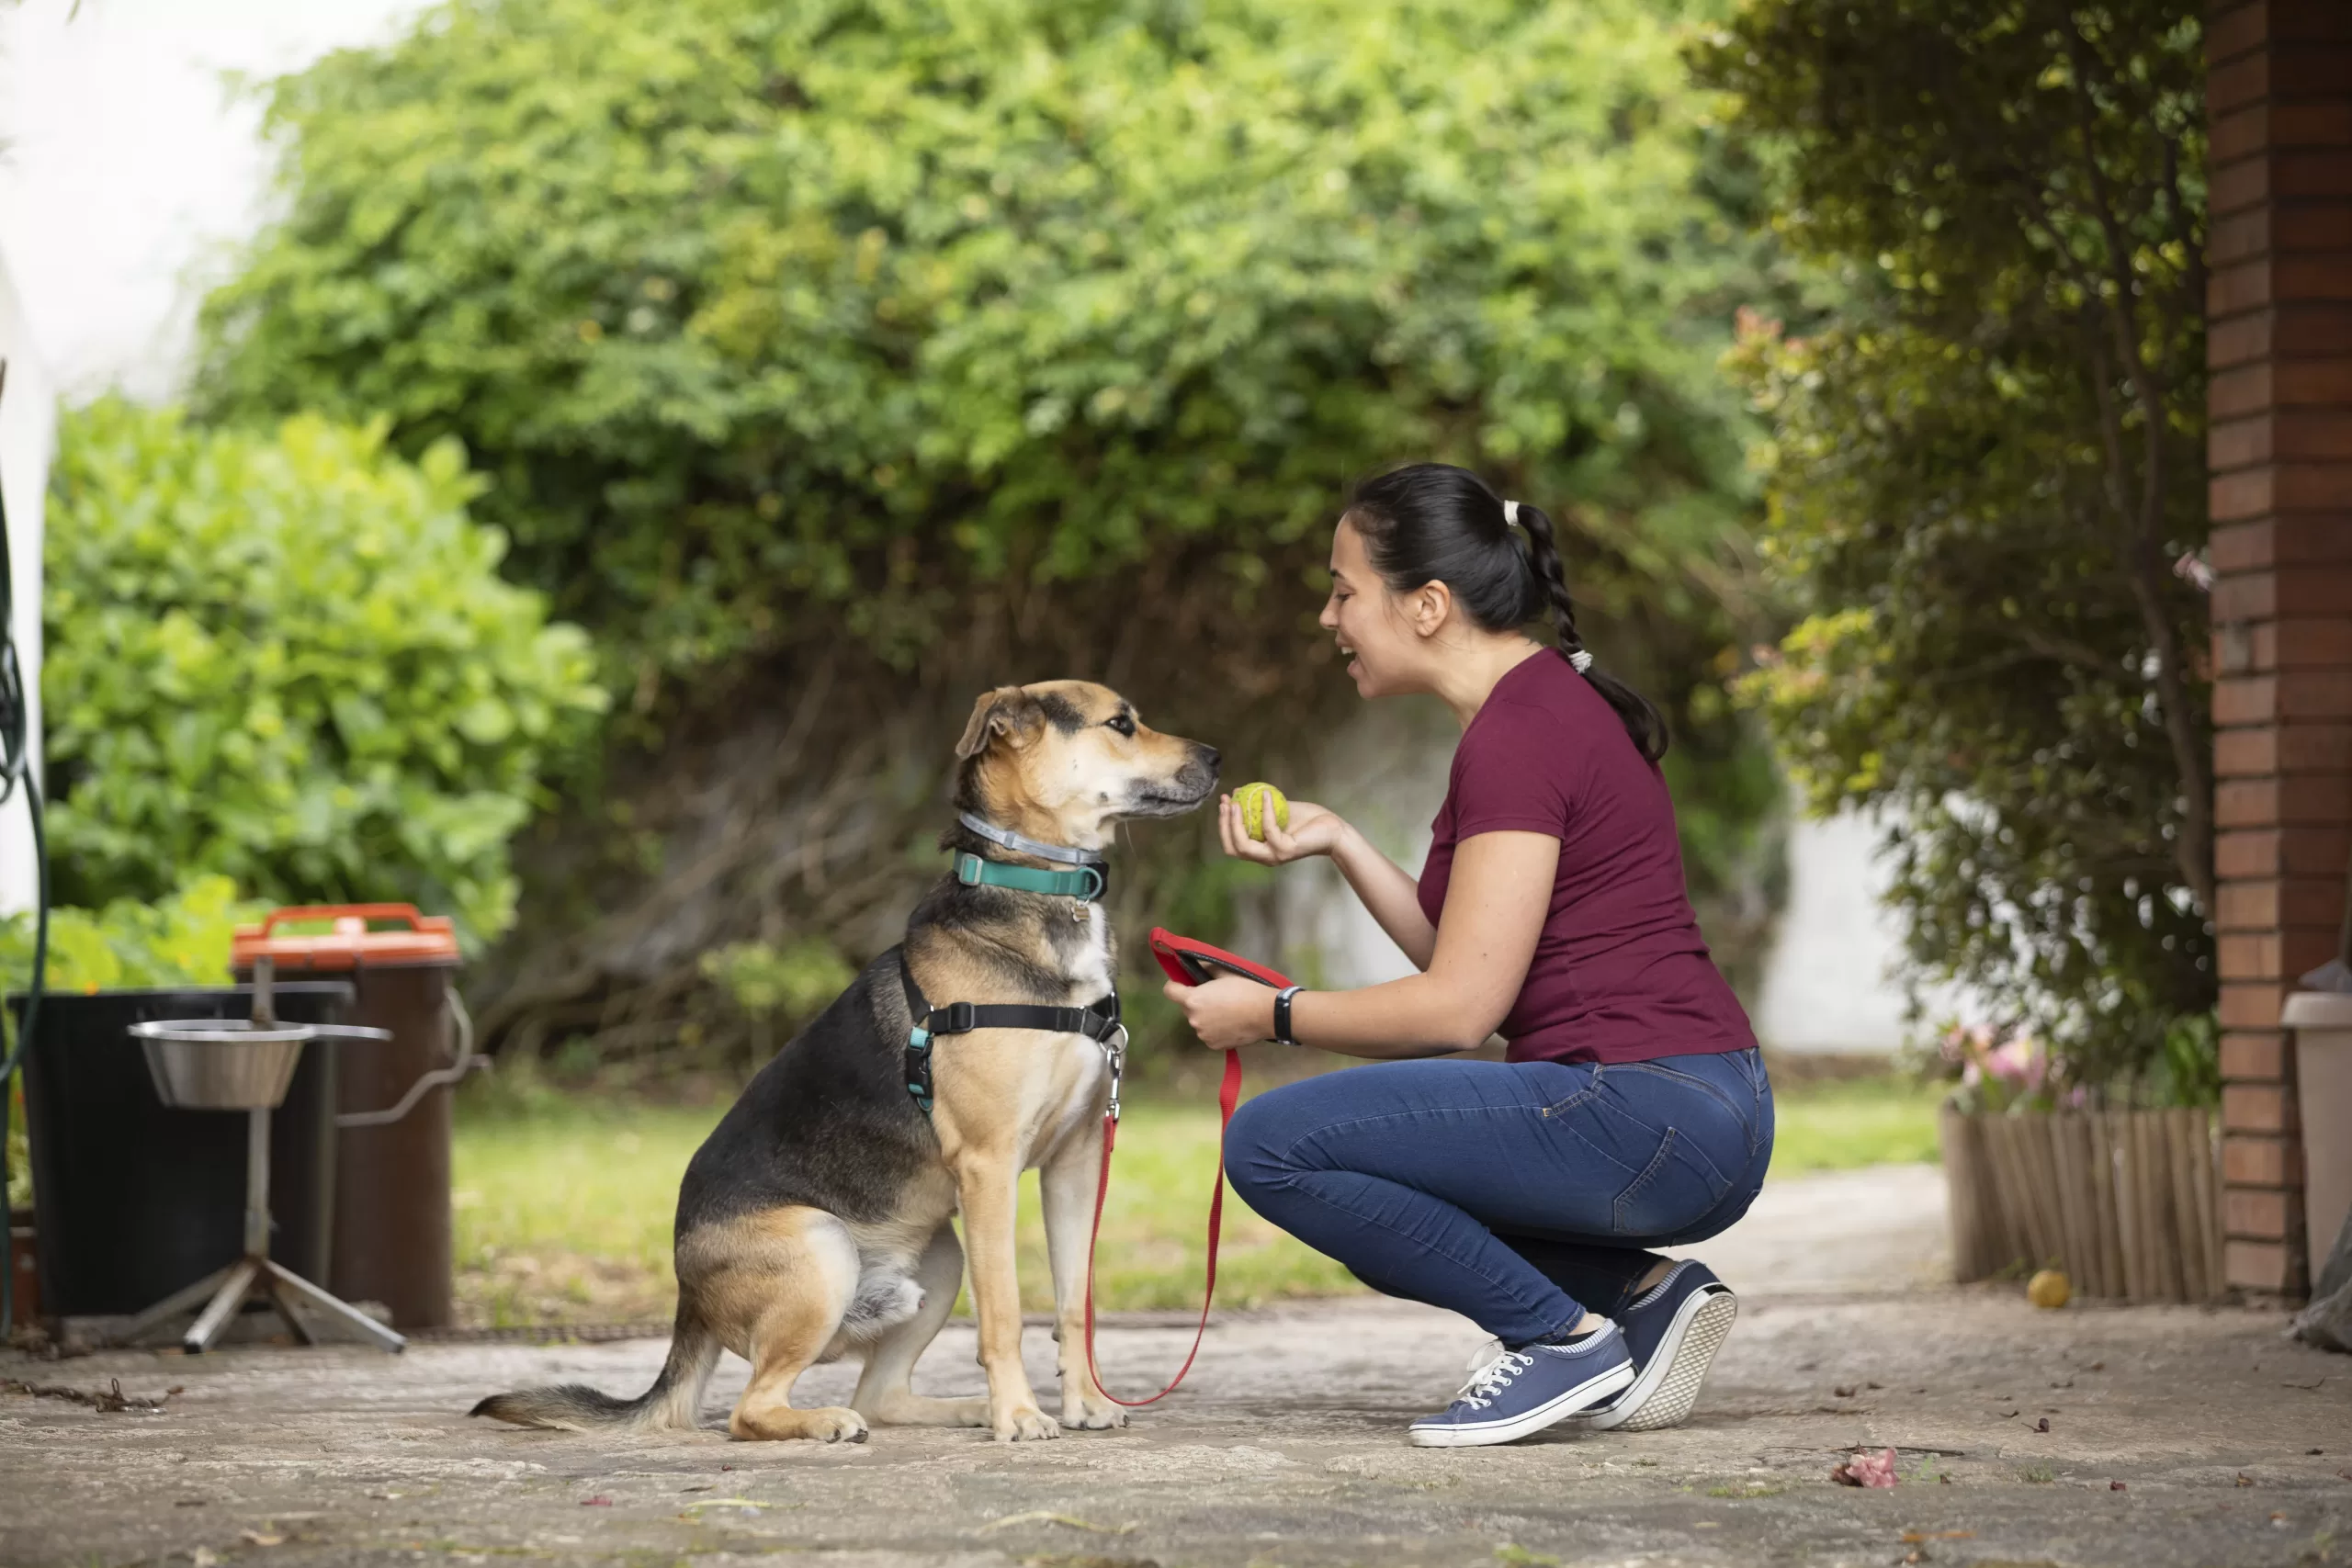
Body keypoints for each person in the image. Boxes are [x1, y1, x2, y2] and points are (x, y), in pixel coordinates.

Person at [1163, 463, 1771, 1449]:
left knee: (1274, 1146)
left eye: (1343, 591)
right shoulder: (1533, 710)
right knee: (1378, 1162)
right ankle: (1643, 1297)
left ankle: (1559, 1339)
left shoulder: (1519, 735)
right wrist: (1341, 840)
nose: (1328, 617)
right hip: (1694, 1108)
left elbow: (1458, 1009)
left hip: (1643, 1107)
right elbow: (1477, 959)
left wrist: (1272, 1014)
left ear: (1428, 604)